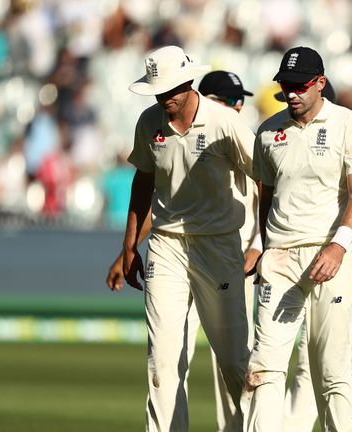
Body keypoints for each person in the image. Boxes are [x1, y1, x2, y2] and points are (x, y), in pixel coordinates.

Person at [106, 69, 260, 432]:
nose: (162, 98)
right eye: (156, 91)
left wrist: (265, 245)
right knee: (162, 360)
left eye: (169, 90)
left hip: (221, 247)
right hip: (168, 246)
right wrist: (128, 247)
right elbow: (146, 183)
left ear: (188, 83)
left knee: (236, 362)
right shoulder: (149, 122)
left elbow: (265, 180)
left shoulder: (225, 123)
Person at [242, 46, 352, 432]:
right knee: (262, 369)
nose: (292, 94)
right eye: (286, 86)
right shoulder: (269, 131)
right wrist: (263, 247)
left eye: (300, 86)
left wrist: (339, 244)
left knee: (331, 371)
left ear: (320, 83)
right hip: (281, 259)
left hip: (329, 256)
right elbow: (265, 196)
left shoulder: (349, 125)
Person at [279, 82, 352, 432]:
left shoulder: (347, 139)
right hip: (298, 259)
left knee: (319, 364)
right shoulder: (292, 141)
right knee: (333, 362)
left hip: (333, 264)